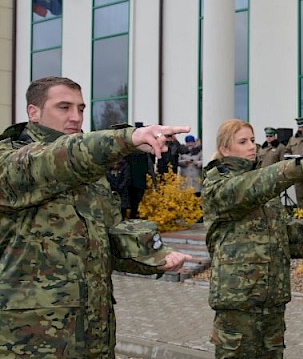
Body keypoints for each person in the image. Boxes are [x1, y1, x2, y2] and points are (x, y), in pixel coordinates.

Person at [0, 76, 192, 357]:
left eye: (80, 108)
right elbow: (52, 160)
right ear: (33, 112)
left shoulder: (89, 173)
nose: (75, 117)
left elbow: (107, 241)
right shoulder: (10, 160)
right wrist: (128, 138)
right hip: (33, 340)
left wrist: (153, 259)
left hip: (94, 334)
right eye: (63, 107)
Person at [202, 119, 303, 358]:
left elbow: (282, 232)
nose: (251, 146)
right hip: (239, 302)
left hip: (271, 300)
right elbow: (253, 186)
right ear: (225, 149)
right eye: (242, 141)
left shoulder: (260, 182)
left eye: (252, 140)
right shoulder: (219, 185)